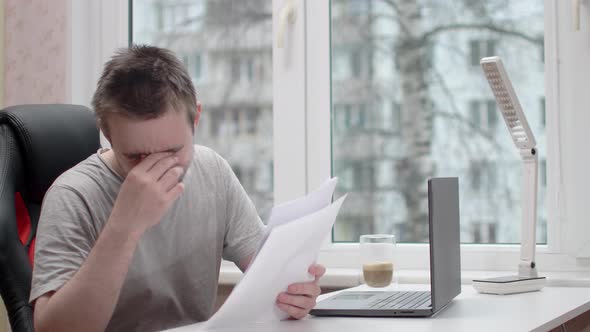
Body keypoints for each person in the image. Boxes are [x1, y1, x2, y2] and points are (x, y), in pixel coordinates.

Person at [30, 45, 325, 332]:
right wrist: (125, 225)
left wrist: (294, 293)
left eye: (172, 151)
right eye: (135, 156)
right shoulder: (73, 195)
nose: (157, 170)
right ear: (106, 133)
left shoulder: (212, 171)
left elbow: (269, 277)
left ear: (195, 118)